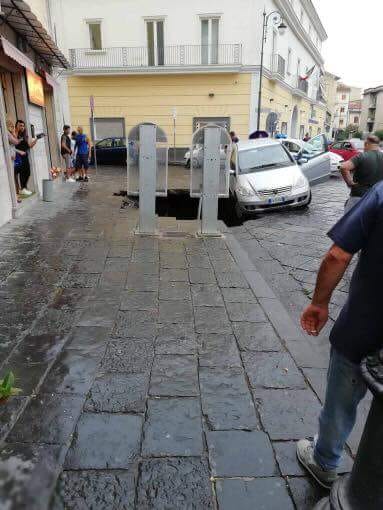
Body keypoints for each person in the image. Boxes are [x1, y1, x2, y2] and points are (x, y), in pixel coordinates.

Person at [298, 182, 383, 489]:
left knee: (341, 403)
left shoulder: (381, 194)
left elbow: (338, 255)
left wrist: (319, 303)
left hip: (364, 327)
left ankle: (324, 462)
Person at [340, 134, 383, 213]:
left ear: (366, 144)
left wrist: (350, 183)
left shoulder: (362, 156)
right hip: (377, 199)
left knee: (350, 222)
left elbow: (344, 167)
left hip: (358, 196)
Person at [15, 120, 37, 196]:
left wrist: (36, 140)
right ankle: (22, 189)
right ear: (16, 126)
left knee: (28, 172)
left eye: (23, 126)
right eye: (20, 125)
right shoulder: (15, 134)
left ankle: (24, 187)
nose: (22, 127)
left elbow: (29, 146)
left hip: (25, 155)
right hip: (18, 156)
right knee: (22, 172)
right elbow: (12, 146)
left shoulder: (24, 135)